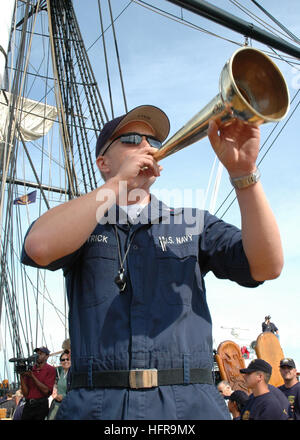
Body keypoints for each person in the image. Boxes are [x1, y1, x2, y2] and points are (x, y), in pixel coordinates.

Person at [21, 104, 284, 420]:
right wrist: (115, 185)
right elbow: (39, 247)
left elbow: (267, 265)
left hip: (190, 407)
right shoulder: (81, 224)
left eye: (154, 142)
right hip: (96, 408)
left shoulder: (193, 223)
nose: (148, 147)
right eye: (132, 139)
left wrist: (244, 174)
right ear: (103, 162)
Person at [20, 346, 56, 420]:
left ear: (47, 356)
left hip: (41, 405)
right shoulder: (31, 369)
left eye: (41, 354)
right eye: (36, 354)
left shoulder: (51, 369)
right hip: (28, 405)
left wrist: (32, 376)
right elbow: (25, 393)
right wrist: (22, 376)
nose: (37, 356)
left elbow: (46, 391)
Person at [47, 350, 71, 420]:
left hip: (69, 405)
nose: (65, 361)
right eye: (63, 360)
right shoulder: (61, 373)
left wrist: (63, 397)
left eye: (67, 359)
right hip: (59, 405)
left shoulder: (73, 374)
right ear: (60, 362)